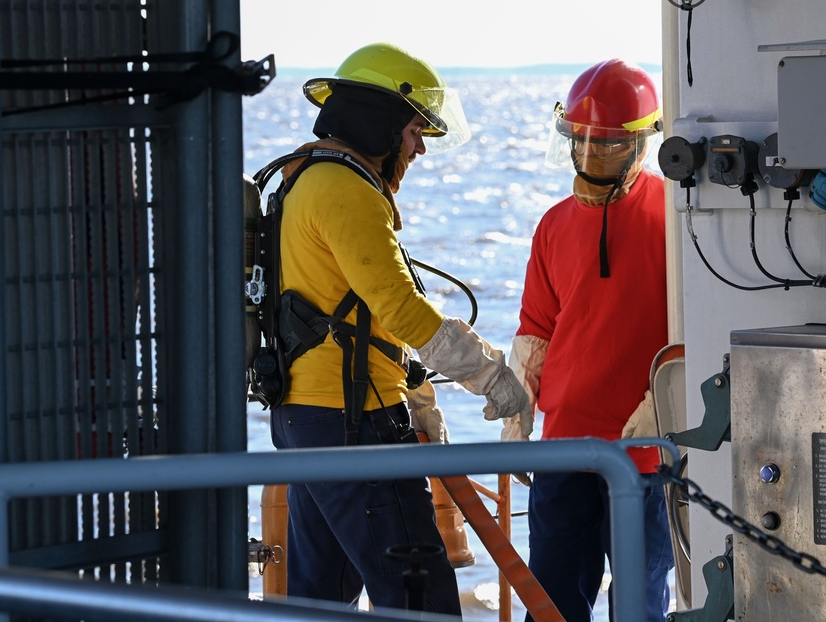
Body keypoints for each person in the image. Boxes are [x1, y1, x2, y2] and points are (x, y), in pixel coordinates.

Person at [269, 42, 533, 616]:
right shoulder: (345, 190)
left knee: (321, 597)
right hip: (352, 423)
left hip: (305, 418)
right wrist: (489, 376)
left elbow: (351, 311)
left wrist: (412, 386)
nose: (418, 149)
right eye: (415, 131)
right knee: (421, 595)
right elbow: (398, 305)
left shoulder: (305, 178)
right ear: (380, 120)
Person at [502, 59, 674, 622]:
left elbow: (695, 326)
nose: (592, 155)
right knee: (551, 601)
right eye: (583, 142)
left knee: (640, 603)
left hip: (643, 451)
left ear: (641, 143)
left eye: (606, 145)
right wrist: (517, 414)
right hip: (564, 446)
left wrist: (663, 404)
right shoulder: (552, 224)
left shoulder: (675, 214)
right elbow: (536, 330)